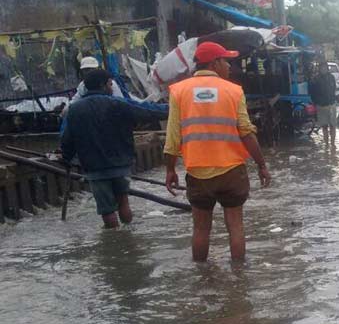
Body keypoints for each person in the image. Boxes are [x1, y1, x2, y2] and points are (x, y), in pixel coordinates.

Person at [164, 42, 272, 262]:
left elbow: (173, 136)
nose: (229, 66)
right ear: (214, 63)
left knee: (201, 229)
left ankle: (202, 279)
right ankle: (239, 280)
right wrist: (261, 165)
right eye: (226, 61)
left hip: (197, 173)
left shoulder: (179, 91)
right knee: (235, 226)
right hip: (231, 172)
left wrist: (170, 169)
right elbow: (246, 132)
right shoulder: (233, 91)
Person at [60, 69, 165, 228]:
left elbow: (67, 139)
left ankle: (116, 241)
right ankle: (128, 236)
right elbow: (147, 112)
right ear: (103, 85)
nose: (111, 87)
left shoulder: (75, 110)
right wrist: (174, 108)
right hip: (120, 164)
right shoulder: (118, 104)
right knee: (123, 202)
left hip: (94, 168)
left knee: (106, 209)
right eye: (110, 84)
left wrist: (67, 159)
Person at [309, 60, 339, 146]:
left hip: (331, 104)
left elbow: (334, 89)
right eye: (322, 67)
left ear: (327, 68)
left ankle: (332, 144)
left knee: (333, 125)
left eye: (325, 67)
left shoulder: (331, 77)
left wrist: (335, 99)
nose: (323, 69)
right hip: (321, 106)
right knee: (324, 126)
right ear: (319, 68)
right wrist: (316, 102)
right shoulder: (315, 79)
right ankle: (327, 145)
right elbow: (312, 93)